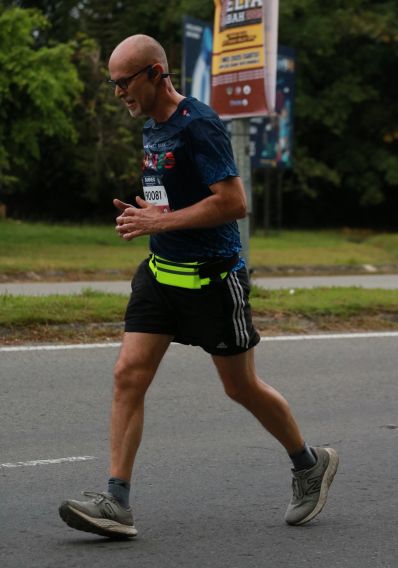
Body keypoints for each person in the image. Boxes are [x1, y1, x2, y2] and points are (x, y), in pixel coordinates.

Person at [59, 34, 338, 539]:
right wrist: (148, 218)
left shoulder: (199, 124)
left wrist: (159, 222)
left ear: (156, 73)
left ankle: (308, 463)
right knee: (128, 375)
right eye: (113, 84)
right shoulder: (152, 127)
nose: (118, 92)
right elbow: (173, 200)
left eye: (124, 82)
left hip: (212, 280)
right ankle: (116, 501)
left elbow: (234, 203)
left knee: (240, 387)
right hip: (160, 275)